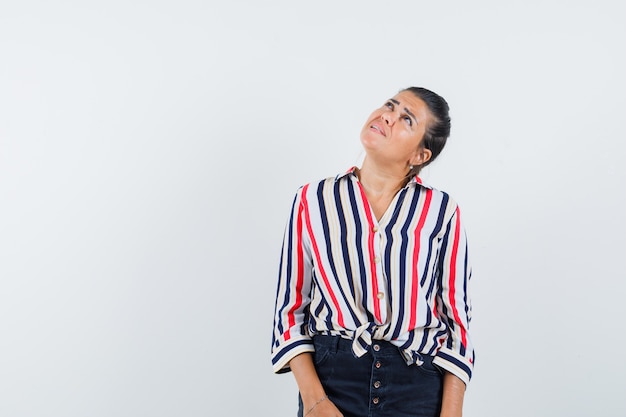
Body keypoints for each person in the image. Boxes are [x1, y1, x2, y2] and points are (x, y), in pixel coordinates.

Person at [271, 87, 474, 417]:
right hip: (332, 382)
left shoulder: (442, 211)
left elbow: (457, 325)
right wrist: (315, 401)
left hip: (417, 387)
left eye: (406, 119)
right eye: (390, 105)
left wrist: (451, 413)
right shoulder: (312, 200)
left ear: (420, 155)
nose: (387, 116)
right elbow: (288, 311)